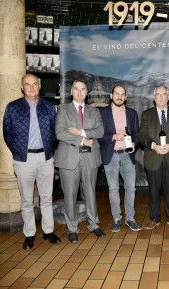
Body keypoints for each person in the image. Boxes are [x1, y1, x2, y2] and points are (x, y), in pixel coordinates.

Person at [3, 73, 61, 250]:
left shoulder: (50, 107)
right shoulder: (12, 108)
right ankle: (29, 234)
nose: (31, 87)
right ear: (22, 88)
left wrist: (49, 151)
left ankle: (48, 231)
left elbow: (55, 133)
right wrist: (19, 152)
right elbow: (7, 134)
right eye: (27, 85)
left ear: (39, 86)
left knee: (46, 197)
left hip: (45, 158)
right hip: (24, 159)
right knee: (27, 199)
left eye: (34, 84)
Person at [55, 79, 105, 243]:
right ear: (71, 92)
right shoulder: (63, 110)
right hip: (69, 159)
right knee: (70, 195)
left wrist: (80, 131)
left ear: (86, 92)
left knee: (90, 192)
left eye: (82, 89)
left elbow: (100, 131)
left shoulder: (94, 111)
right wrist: (82, 140)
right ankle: (72, 228)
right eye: (76, 89)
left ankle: (94, 224)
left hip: (90, 158)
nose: (79, 92)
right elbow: (60, 133)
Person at [139, 84, 169, 229]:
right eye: (158, 94)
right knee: (153, 191)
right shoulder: (146, 114)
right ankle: (154, 218)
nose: (161, 97)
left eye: (163, 94)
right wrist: (154, 146)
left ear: (168, 97)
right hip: (153, 158)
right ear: (154, 98)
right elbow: (142, 136)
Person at [99, 85, 141, 232]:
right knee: (113, 189)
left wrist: (135, 144)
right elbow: (98, 134)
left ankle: (130, 219)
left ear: (126, 96)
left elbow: (136, 134)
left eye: (122, 94)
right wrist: (113, 136)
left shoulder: (132, 113)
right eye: (116, 93)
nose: (119, 96)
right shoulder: (102, 112)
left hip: (127, 155)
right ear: (111, 96)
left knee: (131, 188)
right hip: (111, 155)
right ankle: (117, 219)